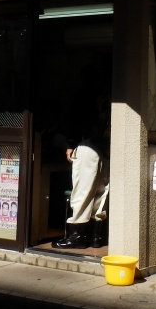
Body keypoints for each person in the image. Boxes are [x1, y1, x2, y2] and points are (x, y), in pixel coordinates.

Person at [52, 63, 110, 249]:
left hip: (87, 146)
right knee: (101, 192)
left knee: (82, 191)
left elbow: (75, 122)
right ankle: (96, 237)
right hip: (107, 148)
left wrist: (69, 145)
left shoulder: (83, 95)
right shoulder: (107, 95)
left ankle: (76, 237)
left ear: (83, 78)